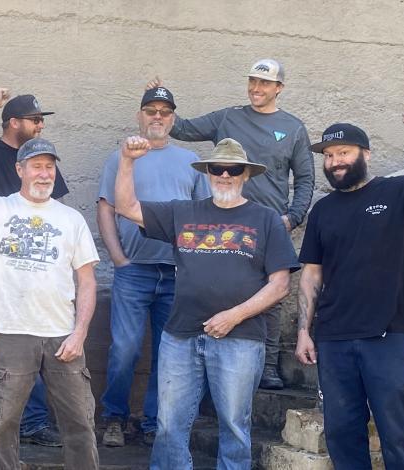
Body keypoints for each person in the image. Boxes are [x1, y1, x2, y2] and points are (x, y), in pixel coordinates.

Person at [295, 109, 404, 470]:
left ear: (365, 154)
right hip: (335, 339)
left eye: (344, 152)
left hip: (389, 336)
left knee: (397, 435)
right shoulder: (322, 211)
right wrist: (303, 333)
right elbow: (311, 274)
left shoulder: (399, 192)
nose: (335, 161)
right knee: (342, 435)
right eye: (328, 155)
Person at [114, 137, 298, 469]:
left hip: (240, 339)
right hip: (180, 336)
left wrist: (233, 316)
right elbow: (127, 208)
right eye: (218, 168)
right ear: (208, 172)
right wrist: (127, 161)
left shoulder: (266, 219)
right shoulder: (182, 211)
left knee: (234, 428)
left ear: (245, 175)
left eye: (233, 169)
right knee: (169, 426)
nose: (225, 175)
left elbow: (281, 284)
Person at [149, 58, 314, 389]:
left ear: (279, 88)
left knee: (270, 298)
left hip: (267, 224)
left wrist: (292, 218)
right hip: (223, 222)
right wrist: (160, 101)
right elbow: (182, 128)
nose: (257, 88)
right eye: (253, 81)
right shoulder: (228, 117)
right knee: (222, 290)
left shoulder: (293, 128)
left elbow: (307, 178)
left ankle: (266, 367)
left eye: (265, 83)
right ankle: (212, 363)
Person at [0, 134, 101, 469]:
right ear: (20, 170)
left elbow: (86, 281)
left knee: (80, 425)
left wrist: (80, 333)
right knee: (2, 426)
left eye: (49, 167)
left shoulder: (72, 219)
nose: (44, 174)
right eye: (36, 167)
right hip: (10, 333)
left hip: (62, 336)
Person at [95, 86, 210, 447]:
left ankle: (152, 423)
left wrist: (193, 265)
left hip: (177, 275)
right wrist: (117, 257)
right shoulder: (121, 158)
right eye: (151, 111)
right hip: (134, 271)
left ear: (173, 118)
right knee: (125, 348)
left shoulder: (190, 160)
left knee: (169, 353)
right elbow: (106, 208)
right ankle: (114, 417)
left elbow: (203, 215)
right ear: (139, 116)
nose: (157, 117)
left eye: (164, 111)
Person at [0, 89, 68, 448]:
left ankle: (34, 423)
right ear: (13, 123)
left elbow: (58, 210)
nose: (40, 125)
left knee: (38, 344)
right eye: (35, 119)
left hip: (38, 269)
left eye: (41, 120)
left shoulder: (41, 159)